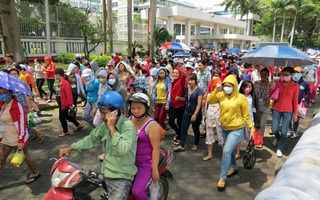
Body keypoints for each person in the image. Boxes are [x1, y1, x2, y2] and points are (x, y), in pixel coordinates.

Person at [59, 91, 138, 200]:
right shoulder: (104, 125)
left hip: (121, 175)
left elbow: (122, 149)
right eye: (100, 112)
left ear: (116, 112)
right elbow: (91, 139)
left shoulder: (127, 127)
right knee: (77, 191)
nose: (101, 117)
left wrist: (112, 128)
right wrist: (70, 148)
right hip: (105, 168)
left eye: (104, 113)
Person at [207, 75, 255, 191]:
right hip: (224, 127)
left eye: (229, 86)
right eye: (225, 85)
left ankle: (222, 178)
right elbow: (209, 100)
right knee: (231, 150)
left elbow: (246, 115)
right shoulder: (221, 95)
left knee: (226, 150)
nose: (227, 88)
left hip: (237, 128)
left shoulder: (241, 98)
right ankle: (234, 167)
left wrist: (251, 128)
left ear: (234, 86)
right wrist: (216, 90)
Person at [0, 87, 40, 184]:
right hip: (4, 138)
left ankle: (35, 172)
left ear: (11, 93)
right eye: (1, 93)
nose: (3, 95)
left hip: (16, 138)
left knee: (26, 157)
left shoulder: (18, 106)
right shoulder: (2, 105)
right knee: (1, 160)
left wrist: (21, 140)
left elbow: (22, 123)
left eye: (5, 93)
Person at [128, 93, 160, 200]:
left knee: (137, 191)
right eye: (133, 108)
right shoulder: (130, 119)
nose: (135, 111)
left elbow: (156, 149)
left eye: (139, 108)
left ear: (146, 108)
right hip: (130, 160)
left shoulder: (152, 125)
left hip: (145, 164)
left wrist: (154, 169)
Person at [269, 67, 299, 158]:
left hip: (288, 111)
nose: (285, 77)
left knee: (284, 131)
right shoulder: (279, 84)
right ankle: (279, 139)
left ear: (291, 75)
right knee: (274, 129)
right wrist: (272, 87)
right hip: (277, 109)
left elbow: (295, 101)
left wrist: (295, 114)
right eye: (283, 75)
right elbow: (272, 95)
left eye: (287, 75)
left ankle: (280, 148)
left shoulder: (295, 86)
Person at [173, 73, 204, 152]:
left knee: (195, 129)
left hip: (196, 113)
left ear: (195, 81)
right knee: (183, 128)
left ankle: (196, 143)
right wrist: (180, 98)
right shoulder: (187, 89)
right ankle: (182, 144)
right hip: (187, 111)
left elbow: (199, 104)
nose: (190, 82)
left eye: (192, 80)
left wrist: (195, 114)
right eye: (189, 80)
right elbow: (186, 99)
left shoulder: (199, 91)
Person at [54, 68, 83, 137]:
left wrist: (70, 104)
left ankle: (65, 131)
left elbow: (69, 94)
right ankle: (77, 124)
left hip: (65, 103)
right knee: (66, 116)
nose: (55, 76)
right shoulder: (61, 82)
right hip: (61, 102)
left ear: (58, 75)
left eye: (56, 75)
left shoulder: (65, 83)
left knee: (62, 117)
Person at [203, 70, 223, 161]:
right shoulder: (210, 95)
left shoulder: (224, 95)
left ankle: (225, 154)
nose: (217, 87)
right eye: (215, 86)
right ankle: (210, 154)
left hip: (220, 119)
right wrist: (205, 117)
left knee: (221, 137)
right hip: (210, 118)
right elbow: (208, 103)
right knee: (209, 137)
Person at [288, 66, 310, 138]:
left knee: (296, 120)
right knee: (288, 118)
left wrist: (304, 98)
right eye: (295, 72)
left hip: (298, 104)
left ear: (301, 73)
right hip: (290, 104)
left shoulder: (304, 83)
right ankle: (289, 130)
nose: (296, 74)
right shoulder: (290, 82)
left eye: (298, 72)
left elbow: (308, 92)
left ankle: (295, 130)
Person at [169, 67, 186, 145]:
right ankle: (179, 133)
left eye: (177, 73)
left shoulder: (181, 82)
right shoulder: (173, 81)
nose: (175, 74)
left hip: (180, 106)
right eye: (174, 73)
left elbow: (183, 78)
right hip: (173, 105)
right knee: (170, 121)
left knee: (180, 123)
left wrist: (184, 74)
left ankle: (181, 138)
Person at [254, 68, 271, 138]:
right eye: (262, 74)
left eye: (265, 74)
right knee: (256, 124)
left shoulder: (270, 85)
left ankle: (260, 139)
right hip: (256, 106)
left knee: (262, 124)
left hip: (265, 106)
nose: (263, 76)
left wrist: (269, 98)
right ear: (260, 74)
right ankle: (254, 138)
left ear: (268, 75)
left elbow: (274, 95)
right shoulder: (255, 83)